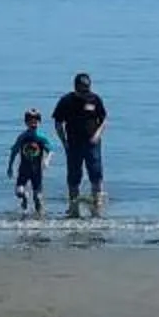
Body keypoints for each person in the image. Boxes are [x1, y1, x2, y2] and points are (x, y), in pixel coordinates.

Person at [51, 71, 107, 215]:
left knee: (96, 173)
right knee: (74, 176)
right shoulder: (66, 101)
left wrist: (97, 135)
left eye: (86, 89)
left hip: (92, 143)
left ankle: (97, 204)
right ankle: (73, 207)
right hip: (73, 144)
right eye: (81, 90)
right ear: (75, 87)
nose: (84, 93)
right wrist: (64, 141)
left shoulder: (94, 99)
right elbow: (58, 123)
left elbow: (104, 120)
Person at [6, 108, 51, 214]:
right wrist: (10, 167)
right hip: (24, 170)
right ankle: (25, 199)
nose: (33, 123)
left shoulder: (41, 137)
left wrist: (47, 160)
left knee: (37, 198)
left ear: (39, 122)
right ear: (26, 122)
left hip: (37, 171)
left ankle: (39, 217)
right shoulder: (22, 137)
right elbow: (14, 151)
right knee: (19, 192)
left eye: (35, 121)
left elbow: (50, 150)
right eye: (30, 121)